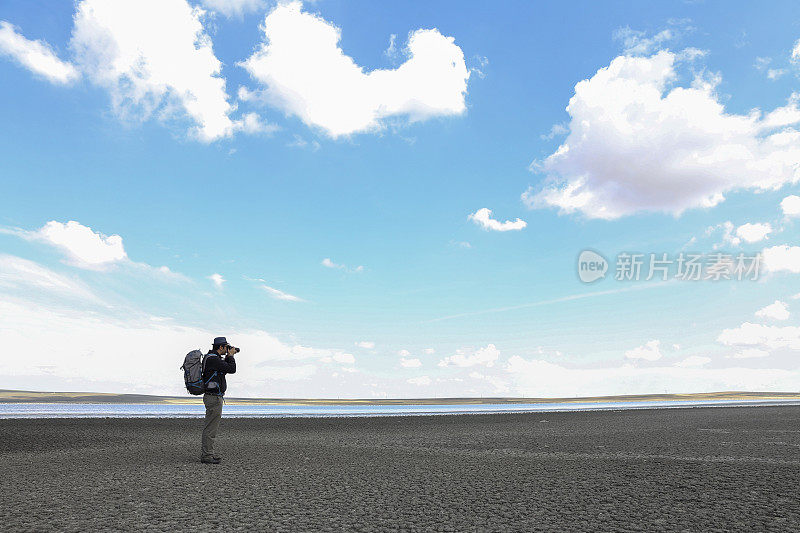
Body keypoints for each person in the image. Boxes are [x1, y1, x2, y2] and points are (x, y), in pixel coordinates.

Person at [200, 336, 237, 464]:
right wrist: (231, 356)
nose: (227, 349)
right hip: (213, 398)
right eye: (226, 347)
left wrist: (228, 356)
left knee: (210, 427)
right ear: (221, 347)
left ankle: (208, 453)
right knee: (211, 428)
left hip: (213, 397)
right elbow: (232, 369)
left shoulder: (211, 359)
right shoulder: (213, 359)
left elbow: (225, 369)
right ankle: (207, 456)